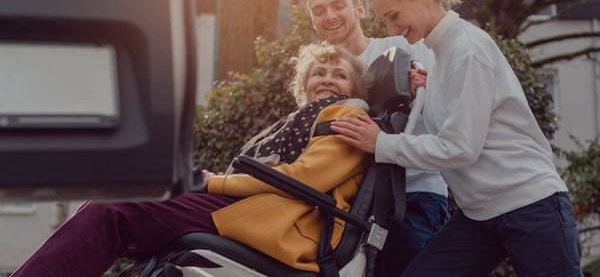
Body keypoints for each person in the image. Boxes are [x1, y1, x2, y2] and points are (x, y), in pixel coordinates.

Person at [12, 42, 371, 277]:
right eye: (318, 73)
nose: (327, 80)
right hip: (252, 205)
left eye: (340, 74)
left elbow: (306, 178)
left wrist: (214, 182)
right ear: (303, 85)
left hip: (280, 221)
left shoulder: (348, 115)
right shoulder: (301, 118)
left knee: (116, 209)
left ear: (355, 89)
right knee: (116, 201)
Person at [330, 0, 583, 277]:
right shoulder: (440, 56)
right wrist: (430, 86)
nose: (392, 29)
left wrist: (381, 143)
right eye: (385, 21)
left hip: (531, 207)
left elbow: (460, 147)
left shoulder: (467, 50)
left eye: (394, 16)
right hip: (480, 215)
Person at [306, 0, 449, 275]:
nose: (329, 16)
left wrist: (427, 87)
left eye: (338, 5)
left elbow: (452, 106)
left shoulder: (405, 46)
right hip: (352, 210)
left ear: (359, 8)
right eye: (319, 10)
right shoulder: (322, 77)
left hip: (411, 196)